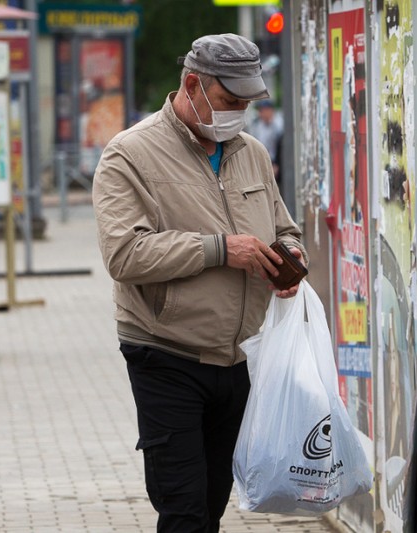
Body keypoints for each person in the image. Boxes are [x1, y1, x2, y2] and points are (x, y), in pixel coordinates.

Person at [92, 33, 307, 533]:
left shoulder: (250, 152)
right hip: (166, 354)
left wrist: (291, 260)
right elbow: (125, 254)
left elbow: (286, 230)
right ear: (193, 85)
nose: (241, 114)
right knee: (183, 507)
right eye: (231, 102)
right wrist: (220, 248)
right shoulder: (130, 154)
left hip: (239, 357)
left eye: (248, 103)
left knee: (210, 502)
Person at [247, 99, 283, 183]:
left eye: (266, 110)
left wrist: (276, 164)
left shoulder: (279, 125)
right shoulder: (256, 127)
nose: (263, 113)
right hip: (260, 161)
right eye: (261, 110)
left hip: (275, 162)